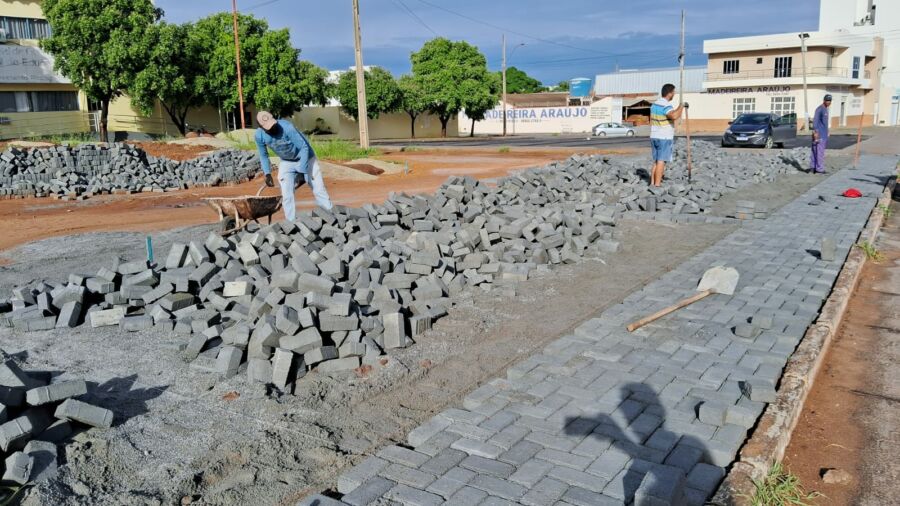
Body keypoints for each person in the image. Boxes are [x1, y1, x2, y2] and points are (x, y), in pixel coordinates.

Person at [255, 111, 333, 221]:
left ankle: (331, 217)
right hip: (286, 161)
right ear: (261, 128)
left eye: (273, 124)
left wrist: (302, 170)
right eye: (268, 127)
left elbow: (304, 148)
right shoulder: (259, 135)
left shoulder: (287, 127)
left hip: (306, 157)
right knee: (286, 195)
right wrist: (267, 173)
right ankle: (291, 224)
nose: (272, 128)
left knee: (318, 188)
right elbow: (263, 155)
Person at [649, 83, 686, 187]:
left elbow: (670, 113)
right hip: (663, 137)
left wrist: (679, 106)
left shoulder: (655, 104)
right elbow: (674, 115)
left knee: (656, 161)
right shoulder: (666, 105)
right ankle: (657, 185)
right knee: (661, 161)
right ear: (669, 93)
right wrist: (682, 106)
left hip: (654, 135)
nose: (674, 94)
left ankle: (652, 183)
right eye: (673, 92)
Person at [810, 94, 831, 174]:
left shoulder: (826, 109)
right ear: (824, 100)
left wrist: (828, 131)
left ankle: (813, 167)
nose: (828, 102)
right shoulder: (820, 109)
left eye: (829, 101)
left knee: (816, 151)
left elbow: (824, 123)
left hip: (823, 134)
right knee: (819, 152)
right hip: (819, 135)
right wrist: (815, 132)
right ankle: (819, 169)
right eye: (827, 100)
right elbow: (815, 121)